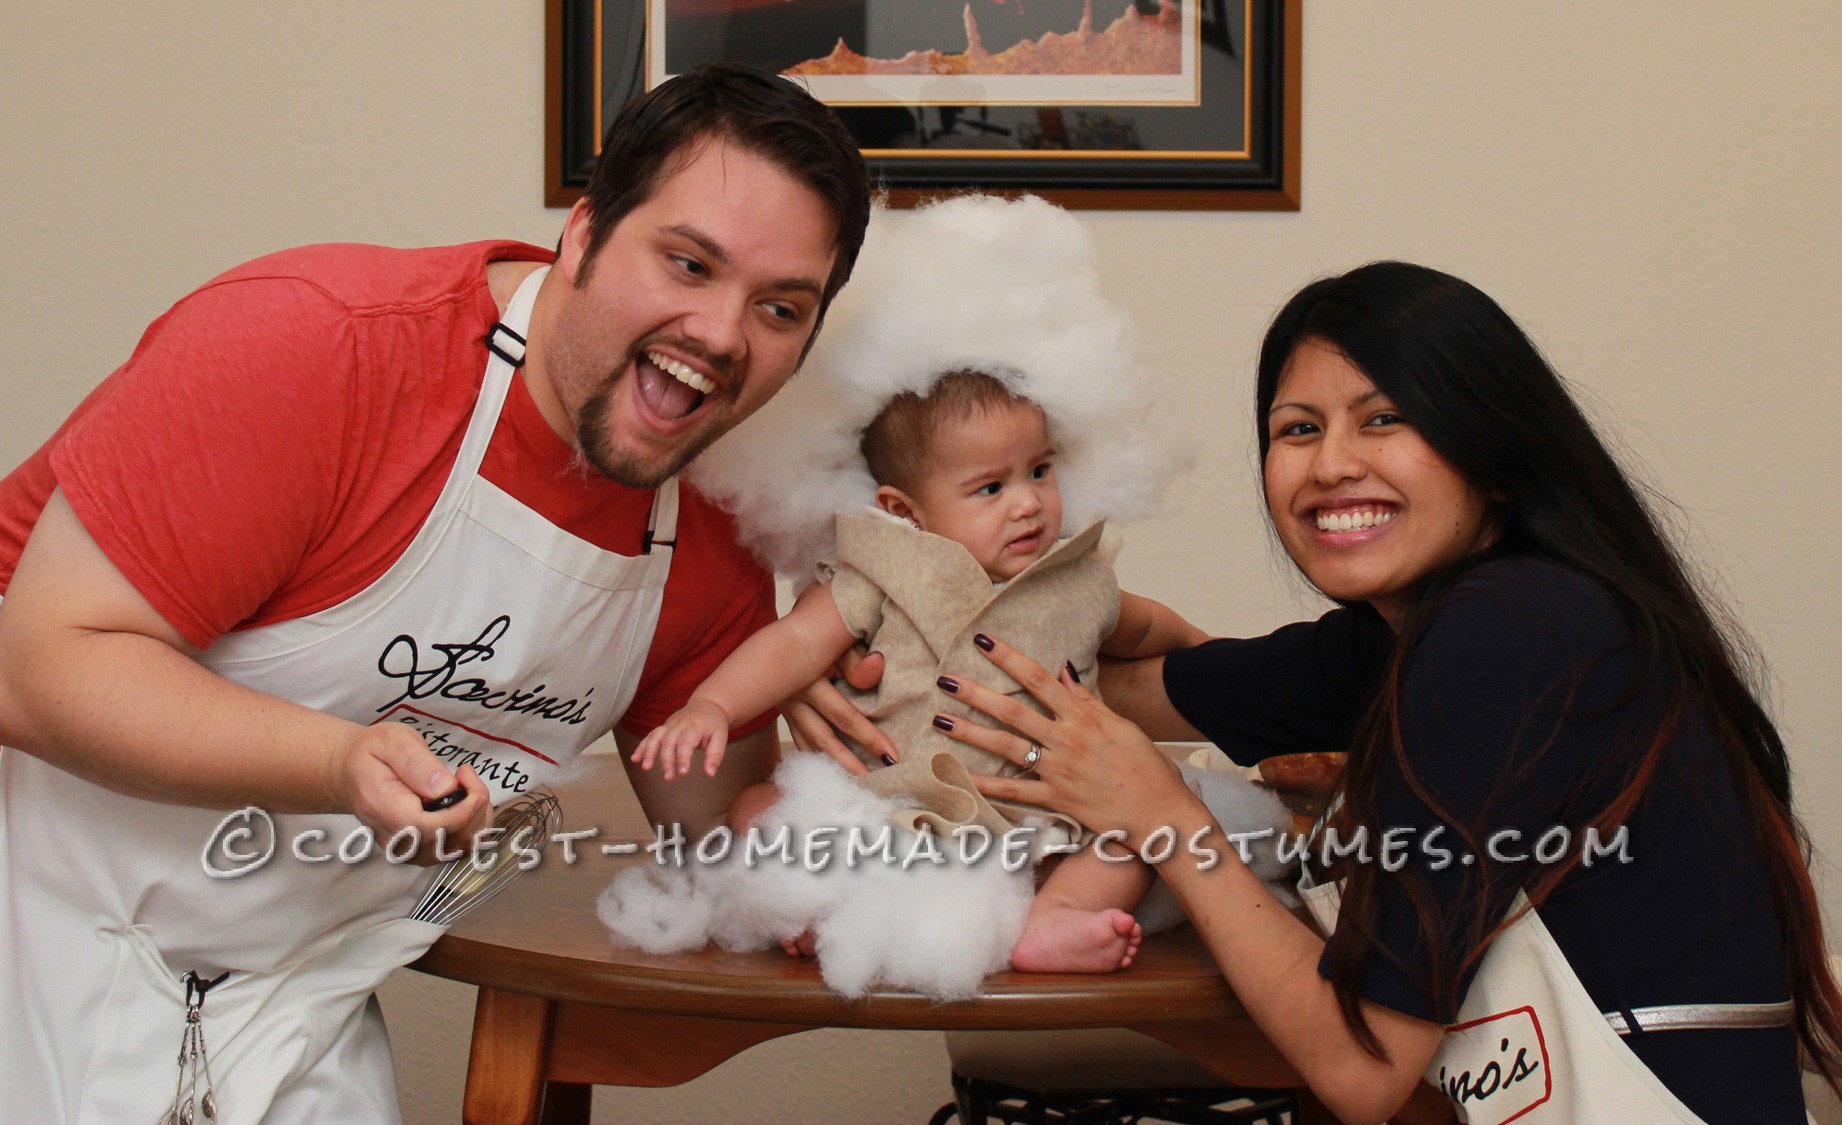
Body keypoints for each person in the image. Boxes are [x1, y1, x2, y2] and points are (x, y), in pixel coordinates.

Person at [0, 64, 870, 1122]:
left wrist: (877, 729)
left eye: (780, 308)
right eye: (688, 263)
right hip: (32, 942)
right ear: (585, 235)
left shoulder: (712, 530)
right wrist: (335, 760)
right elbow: (33, 667)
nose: (725, 335)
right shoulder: (320, 349)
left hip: (291, 1009)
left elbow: (718, 843)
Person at [919, 262, 1842, 1122]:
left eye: (1385, 418)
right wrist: (894, 656)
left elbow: (1362, 1066)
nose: (1330, 466)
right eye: (1298, 429)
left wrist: (1158, 810)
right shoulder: (1432, 626)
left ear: (1492, 452)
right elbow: (1113, 688)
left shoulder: (1507, 634)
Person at [633, 370, 1202, 974]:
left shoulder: (1079, 579)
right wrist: (713, 706)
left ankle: (1053, 916)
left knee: (1138, 838)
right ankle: (816, 906)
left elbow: (1145, 629)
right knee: (756, 807)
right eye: (990, 488)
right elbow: (795, 643)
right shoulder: (885, 575)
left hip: (1041, 817)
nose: (1028, 502)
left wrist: (1203, 644)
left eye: (1040, 470)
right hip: (886, 808)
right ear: (906, 510)